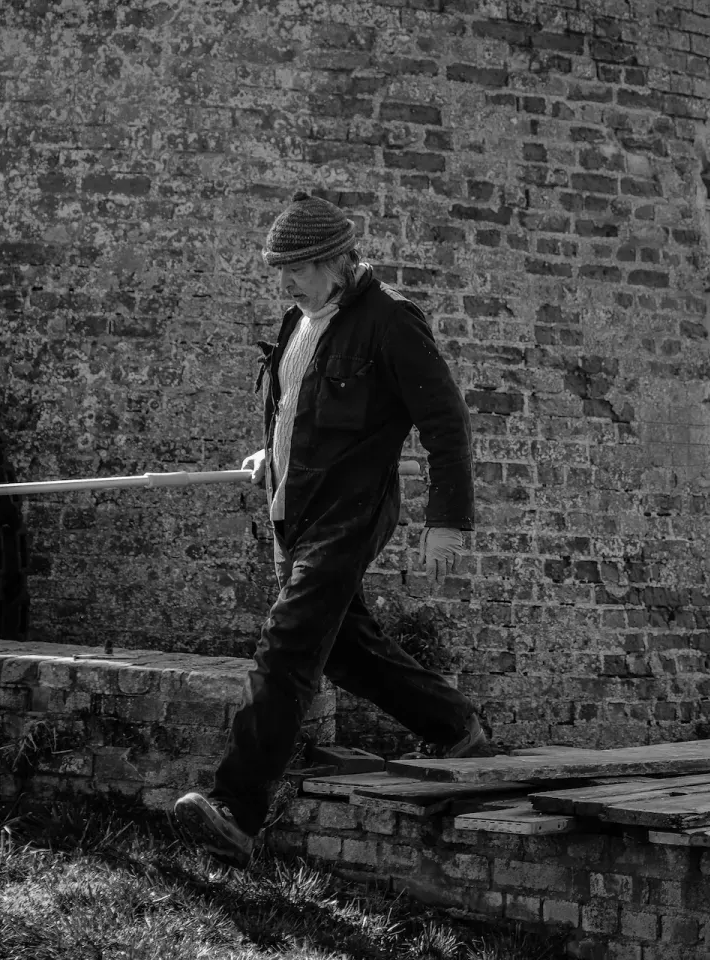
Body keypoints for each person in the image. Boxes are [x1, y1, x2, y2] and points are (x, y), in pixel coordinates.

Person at [175, 191, 493, 867]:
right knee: (342, 649)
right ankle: (455, 727)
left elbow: (446, 425)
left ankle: (236, 808)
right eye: (280, 267)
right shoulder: (298, 320)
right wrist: (271, 453)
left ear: (333, 261)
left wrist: (447, 522)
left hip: (351, 514)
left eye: (294, 266)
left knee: (288, 645)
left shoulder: (391, 322)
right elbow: (294, 410)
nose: (283, 279)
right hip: (297, 509)